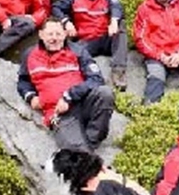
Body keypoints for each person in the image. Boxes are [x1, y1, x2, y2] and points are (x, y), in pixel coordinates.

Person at [17, 19, 115, 152]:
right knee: (76, 151)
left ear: (64, 34)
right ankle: (84, 151)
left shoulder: (78, 51)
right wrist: (30, 96)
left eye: (58, 34)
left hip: (83, 103)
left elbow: (96, 79)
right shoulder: (30, 55)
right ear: (41, 35)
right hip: (58, 113)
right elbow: (23, 81)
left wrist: (69, 96)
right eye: (50, 34)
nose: (54, 38)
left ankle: (91, 142)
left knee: (105, 93)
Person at [53, 0, 128, 90]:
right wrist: (66, 22)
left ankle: (119, 72)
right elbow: (56, 8)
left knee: (121, 26)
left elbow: (117, 7)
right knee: (70, 56)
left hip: (106, 38)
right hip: (87, 41)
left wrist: (114, 21)